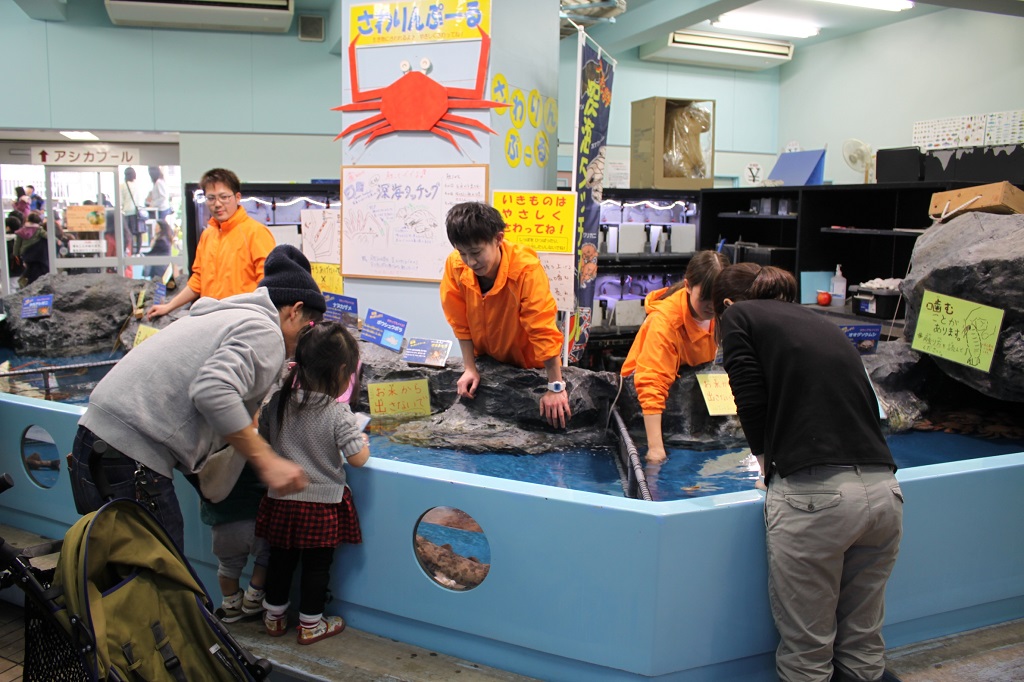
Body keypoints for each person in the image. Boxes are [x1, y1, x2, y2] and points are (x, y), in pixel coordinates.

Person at [711, 263, 903, 682]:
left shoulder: (738, 316)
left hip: (818, 497)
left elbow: (749, 396)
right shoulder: (818, 321)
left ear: (725, 304)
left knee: (809, 651)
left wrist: (765, 467)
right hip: (885, 493)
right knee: (863, 643)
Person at [69, 245, 327, 550]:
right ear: (294, 310)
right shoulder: (264, 331)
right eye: (306, 329)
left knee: (112, 579)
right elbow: (213, 390)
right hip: (128, 455)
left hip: (91, 442)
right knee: (161, 579)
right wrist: (266, 460)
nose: (301, 344)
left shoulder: (224, 314)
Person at [257, 321, 369, 645]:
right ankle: (311, 624)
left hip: (280, 500)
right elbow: (358, 458)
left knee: (279, 560)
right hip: (321, 505)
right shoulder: (337, 412)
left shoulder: (278, 401)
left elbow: (263, 438)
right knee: (317, 568)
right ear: (342, 371)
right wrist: (362, 441)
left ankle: (274, 617)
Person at [439, 202, 570, 429]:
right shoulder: (456, 265)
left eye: (477, 253)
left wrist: (555, 386)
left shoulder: (525, 270)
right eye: (463, 253)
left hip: (529, 365)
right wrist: (470, 367)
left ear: (498, 239)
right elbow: (459, 320)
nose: (470, 262)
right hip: (487, 359)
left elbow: (542, 328)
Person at [619, 250, 729, 463]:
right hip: (646, 405)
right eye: (705, 298)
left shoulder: (725, 310)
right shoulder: (665, 322)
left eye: (717, 298)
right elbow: (652, 381)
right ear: (688, 286)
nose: (712, 306)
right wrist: (655, 448)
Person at [147, 168, 275, 320]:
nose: (218, 204)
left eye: (224, 197)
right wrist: (169, 306)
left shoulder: (256, 233)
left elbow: (268, 283)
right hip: (210, 321)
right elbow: (198, 280)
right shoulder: (207, 235)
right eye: (211, 198)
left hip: (244, 321)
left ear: (237, 197)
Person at [199, 457, 270, 624]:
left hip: (221, 527)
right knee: (266, 558)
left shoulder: (212, 462)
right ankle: (254, 596)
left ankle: (230, 605)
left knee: (227, 566)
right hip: (254, 522)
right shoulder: (252, 458)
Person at [13, 211, 50, 286]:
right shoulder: (39, 230)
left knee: (29, 269)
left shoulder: (21, 231)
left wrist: (16, 254)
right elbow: (49, 236)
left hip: (25, 254)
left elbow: (17, 245)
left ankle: (24, 281)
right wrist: (58, 240)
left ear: (27, 220)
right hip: (38, 256)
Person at [120, 167, 145, 254]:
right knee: (139, 233)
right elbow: (141, 200)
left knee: (128, 233)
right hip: (138, 212)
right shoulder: (138, 185)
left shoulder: (123, 185)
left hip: (127, 212)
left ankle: (129, 251)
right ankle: (138, 252)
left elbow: (121, 201)